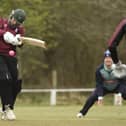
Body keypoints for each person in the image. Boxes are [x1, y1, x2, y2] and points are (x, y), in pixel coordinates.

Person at [77, 50, 126, 118]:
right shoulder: (99, 70)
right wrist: (100, 96)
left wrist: (120, 94)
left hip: (117, 87)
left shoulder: (119, 68)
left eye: (110, 58)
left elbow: (123, 83)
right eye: (106, 58)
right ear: (104, 59)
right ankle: (82, 113)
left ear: (113, 60)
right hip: (104, 88)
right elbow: (99, 84)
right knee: (92, 97)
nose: (108, 60)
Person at [0, 9, 26, 120]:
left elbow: (21, 43)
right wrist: (4, 34)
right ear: (11, 17)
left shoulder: (20, 29)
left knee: (16, 84)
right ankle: (7, 108)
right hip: (0, 55)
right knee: (5, 79)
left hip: (11, 57)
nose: (15, 23)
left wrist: (19, 41)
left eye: (18, 23)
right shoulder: (2, 22)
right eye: (14, 20)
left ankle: (6, 108)